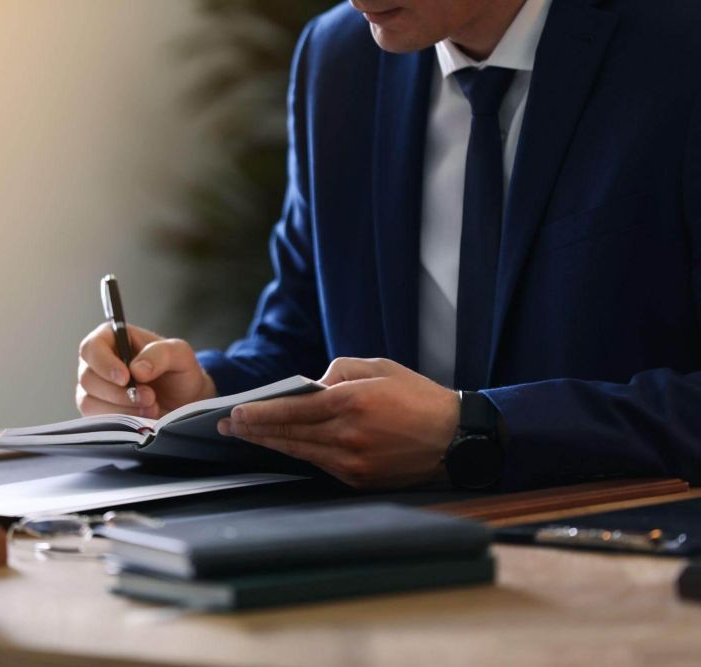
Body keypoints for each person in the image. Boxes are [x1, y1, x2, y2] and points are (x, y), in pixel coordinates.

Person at [76, 0, 701, 491]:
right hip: (390, 565)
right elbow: (301, 342)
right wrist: (201, 396)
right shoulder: (337, 58)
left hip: (630, 564)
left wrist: (477, 432)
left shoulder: (678, 44)